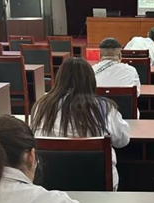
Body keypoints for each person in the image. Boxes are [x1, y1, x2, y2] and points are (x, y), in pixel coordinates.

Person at [31, 57, 130, 190]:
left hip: (50, 185)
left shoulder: (41, 106)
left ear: (59, 79)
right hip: (98, 183)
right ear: (91, 80)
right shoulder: (104, 108)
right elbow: (122, 140)